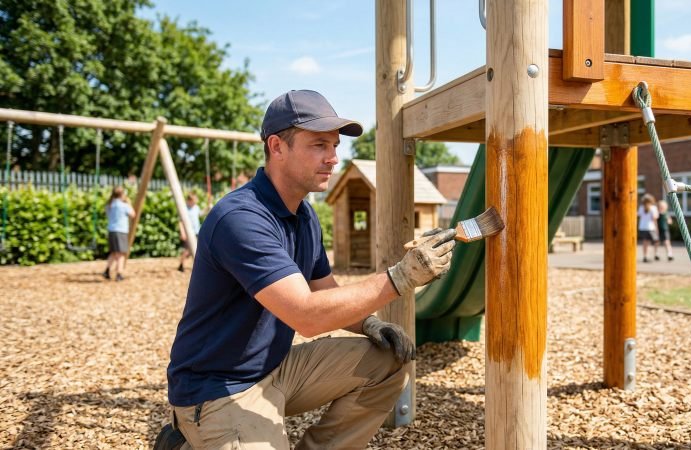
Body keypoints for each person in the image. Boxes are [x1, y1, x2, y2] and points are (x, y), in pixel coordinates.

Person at [159, 90, 456, 450]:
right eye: (319, 144)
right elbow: (307, 317)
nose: (333, 158)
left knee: (389, 361)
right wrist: (401, 277)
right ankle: (190, 436)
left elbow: (323, 293)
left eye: (334, 145)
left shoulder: (304, 215)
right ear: (277, 147)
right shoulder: (241, 219)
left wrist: (371, 324)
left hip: (274, 369)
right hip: (216, 390)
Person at [102, 186, 136, 281]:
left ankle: (107, 270)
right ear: (122, 194)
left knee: (114, 252)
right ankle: (119, 274)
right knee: (121, 254)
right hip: (121, 231)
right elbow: (133, 214)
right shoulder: (124, 205)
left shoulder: (109, 205)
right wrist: (128, 202)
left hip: (111, 230)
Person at [177, 193, 210, 272]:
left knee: (196, 248)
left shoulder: (196, 207)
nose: (195, 202)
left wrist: (208, 208)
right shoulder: (184, 209)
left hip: (196, 231)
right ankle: (181, 265)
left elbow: (200, 214)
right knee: (187, 250)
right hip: (188, 232)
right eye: (193, 201)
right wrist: (183, 233)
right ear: (188, 201)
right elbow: (180, 222)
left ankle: (193, 263)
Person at [637, 193, 659, 263]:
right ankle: (655, 254)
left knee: (645, 242)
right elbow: (654, 219)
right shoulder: (653, 208)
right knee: (656, 241)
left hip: (642, 227)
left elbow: (638, 215)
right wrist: (656, 228)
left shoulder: (641, 207)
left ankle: (645, 256)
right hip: (650, 227)